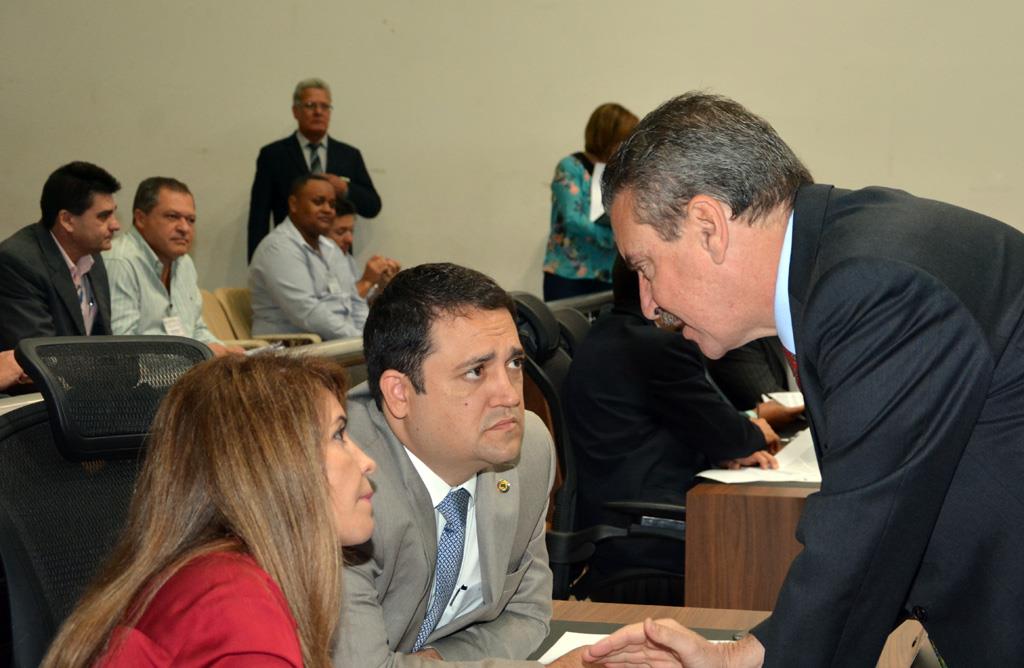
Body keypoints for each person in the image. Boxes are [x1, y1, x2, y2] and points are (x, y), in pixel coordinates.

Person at [587, 92, 1024, 666]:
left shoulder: (873, 284)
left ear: (708, 226)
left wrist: (757, 657)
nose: (647, 304)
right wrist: (747, 654)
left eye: (645, 267)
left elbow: (868, 523)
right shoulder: (846, 259)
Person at [41, 354, 376, 667]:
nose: (367, 462)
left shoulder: (216, 577)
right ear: (272, 465)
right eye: (338, 435)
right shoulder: (240, 616)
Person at [336, 262, 584, 667]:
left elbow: (528, 613)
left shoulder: (529, 450)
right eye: (475, 371)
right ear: (399, 393)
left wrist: (442, 661)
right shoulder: (339, 478)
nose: (509, 395)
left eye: (514, 364)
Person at [563, 255, 779, 603]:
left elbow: (686, 429)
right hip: (651, 537)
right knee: (770, 542)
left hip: (621, 529)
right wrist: (752, 435)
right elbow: (734, 437)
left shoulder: (608, 333)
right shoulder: (655, 347)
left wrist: (722, 449)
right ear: (651, 287)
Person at [104, 177, 243, 356]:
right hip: (144, 372)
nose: (184, 228)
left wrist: (224, 351)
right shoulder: (121, 261)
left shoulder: (184, 263)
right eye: (172, 217)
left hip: (185, 366)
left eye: (191, 220)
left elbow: (197, 329)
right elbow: (122, 347)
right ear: (140, 218)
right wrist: (195, 355)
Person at [247, 77, 381, 260]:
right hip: (288, 256)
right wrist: (257, 263)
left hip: (337, 257)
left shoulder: (349, 155)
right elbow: (259, 217)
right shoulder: (273, 155)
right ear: (296, 111)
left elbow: (373, 206)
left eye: (325, 106)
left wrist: (344, 188)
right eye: (310, 105)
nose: (318, 112)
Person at [0, 161, 120, 350]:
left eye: (114, 214)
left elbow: (103, 340)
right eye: (103, 216)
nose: (115, 225)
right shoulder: (18, 263)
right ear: (67, 220)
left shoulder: (91, 256)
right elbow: (39, 354)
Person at [250, 174, 369, 340]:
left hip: (338, 342)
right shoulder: (278, 248)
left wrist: (366, 335)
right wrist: (359, 340)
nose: (328, 209)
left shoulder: (331, 248)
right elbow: (307, 313)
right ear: (293, 204)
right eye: (318, 202)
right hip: (292, 346)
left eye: (332, 204)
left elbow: (355, 300)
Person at [542, 103, 638, 301]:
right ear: (606, 137)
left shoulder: (621, 172)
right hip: (569, 275)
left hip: (609, 274)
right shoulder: (571, 167)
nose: (628, 146)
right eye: (624, 139)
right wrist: (614, 238)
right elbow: (573, 220)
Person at [326, 198, 400, 302]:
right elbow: (337, 308)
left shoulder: (347, 259)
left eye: (351, 231)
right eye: (340, 232)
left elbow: (364, 304)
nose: (350, 239)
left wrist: (382, 286)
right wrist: (367, 281)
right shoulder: (312, 264)